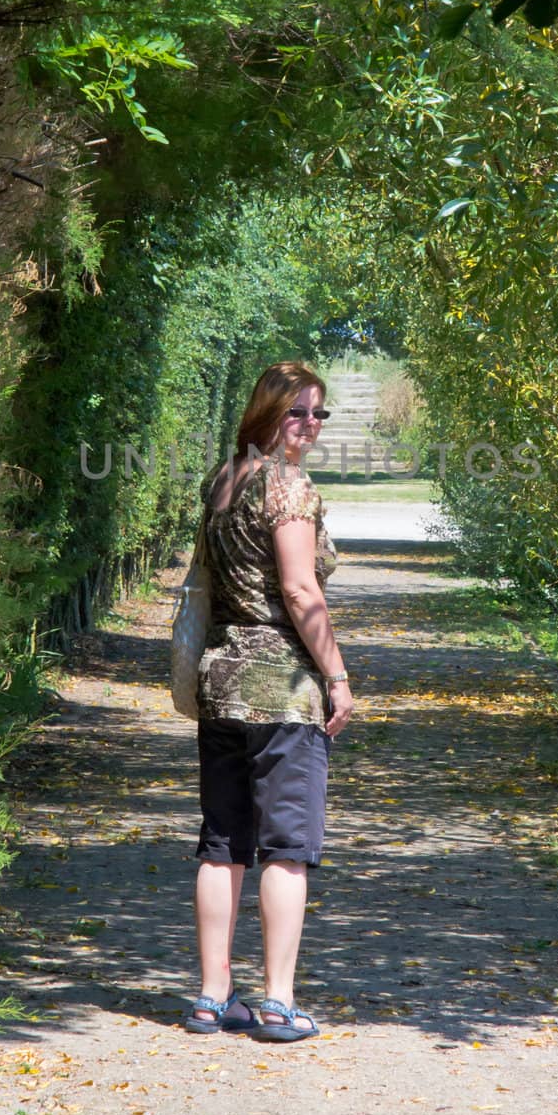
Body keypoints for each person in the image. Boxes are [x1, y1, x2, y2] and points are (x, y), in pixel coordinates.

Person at [183, 361, 353, 1042]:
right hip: (281, 692)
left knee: (221, 844)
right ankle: (278, 1003)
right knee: (287, 849)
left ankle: (210, 997)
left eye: (318, 415)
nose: (308, 426)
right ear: (267, 413)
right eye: (296, 413)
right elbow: (300, 591)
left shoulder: (224, 480)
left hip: (219, 685)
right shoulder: (287, 487)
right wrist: (337, 677)